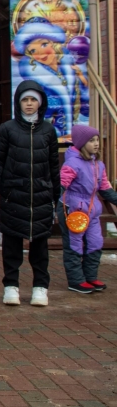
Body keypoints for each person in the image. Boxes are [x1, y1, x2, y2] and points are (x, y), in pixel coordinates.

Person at [0, 80, 60, 307]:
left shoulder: (48, 131)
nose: (28, 104)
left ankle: (40, 288)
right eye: (25, 99)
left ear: (40, 102)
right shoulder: (8, 129)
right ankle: (11, 287)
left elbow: (54, 166)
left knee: (40, 249)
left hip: (41, 198)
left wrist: (58, 195)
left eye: (33, 99)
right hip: (13, 196)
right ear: (18, 102)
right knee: (12, 246)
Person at [57, 125, 117, 294]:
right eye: (92, 140)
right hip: (73, 208)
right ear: (82, 143)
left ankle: (90, 276)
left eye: (97, 140)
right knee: (74, 245)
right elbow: (60, 186)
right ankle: (76, 281)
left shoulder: (98, 164)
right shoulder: (72, 164)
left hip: (92, 210)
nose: (96, 143)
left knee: (96, 242)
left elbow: (105, 188)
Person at [13, 18, 89, 138]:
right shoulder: (37, 81)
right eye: (33, 50)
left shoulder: (70, 70)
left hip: (75, 134)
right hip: (50, 136)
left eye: (44, 44)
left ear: (54, 44)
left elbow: (85, 104)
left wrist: (82, 81)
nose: (41, 54)